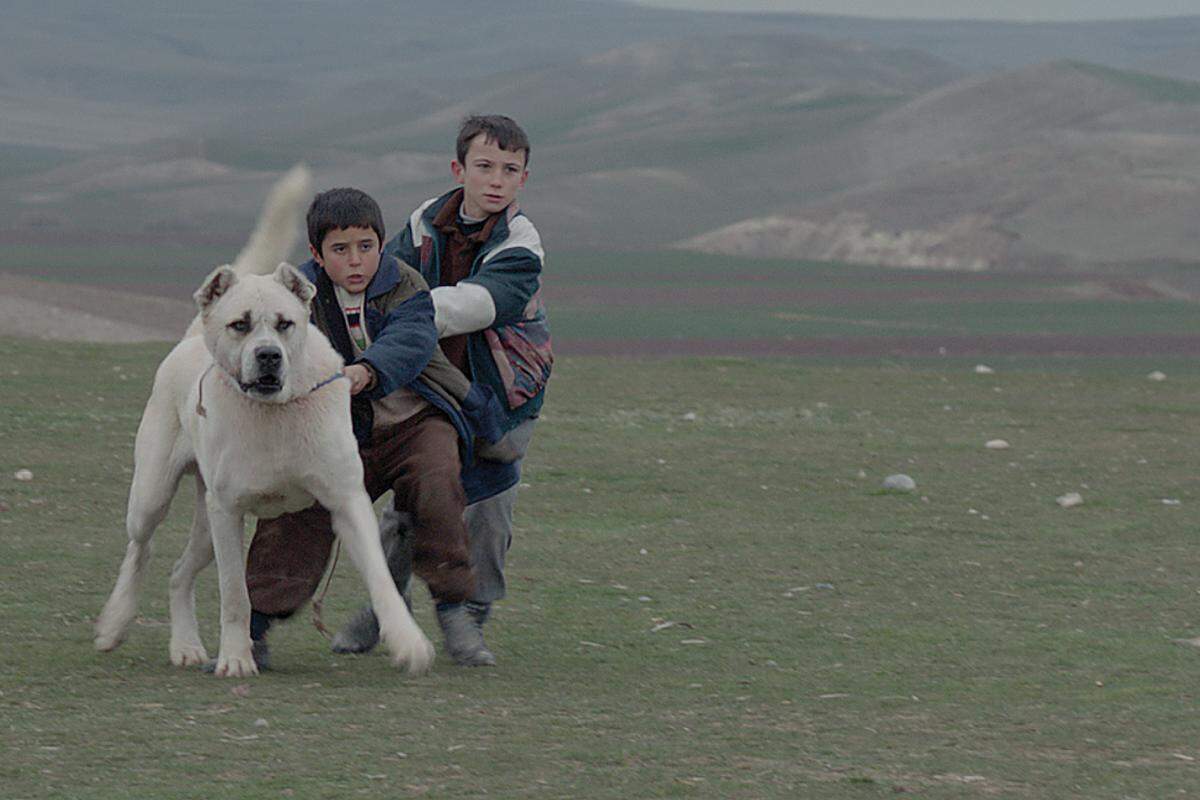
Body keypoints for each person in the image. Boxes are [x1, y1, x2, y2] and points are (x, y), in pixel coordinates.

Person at [239, 186, 514, 669]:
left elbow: (411, 339)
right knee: (296, 509)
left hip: (414, 419)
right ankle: (253, 627)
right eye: (340, 249)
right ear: (317, 254)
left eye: (366, 246)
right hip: (336, 429)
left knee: (436, 482)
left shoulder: (404, 284)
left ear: (380, 246)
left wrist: (366, 370)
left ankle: (455, 614)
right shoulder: (296, 294)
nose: (355, 260)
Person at [330, 114, 552, 667]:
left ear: (524, 177)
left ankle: (471, 617)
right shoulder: (423, 223)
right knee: (413, 496)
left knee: (489, 503)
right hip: (431, 385)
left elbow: (480, 304)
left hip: (503, 391)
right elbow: (381, 274)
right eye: (484, 166)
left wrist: (405, 318)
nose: (496, 179)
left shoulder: (522, 246)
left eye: (509, 169)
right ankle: (385, 609)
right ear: (459, 169)